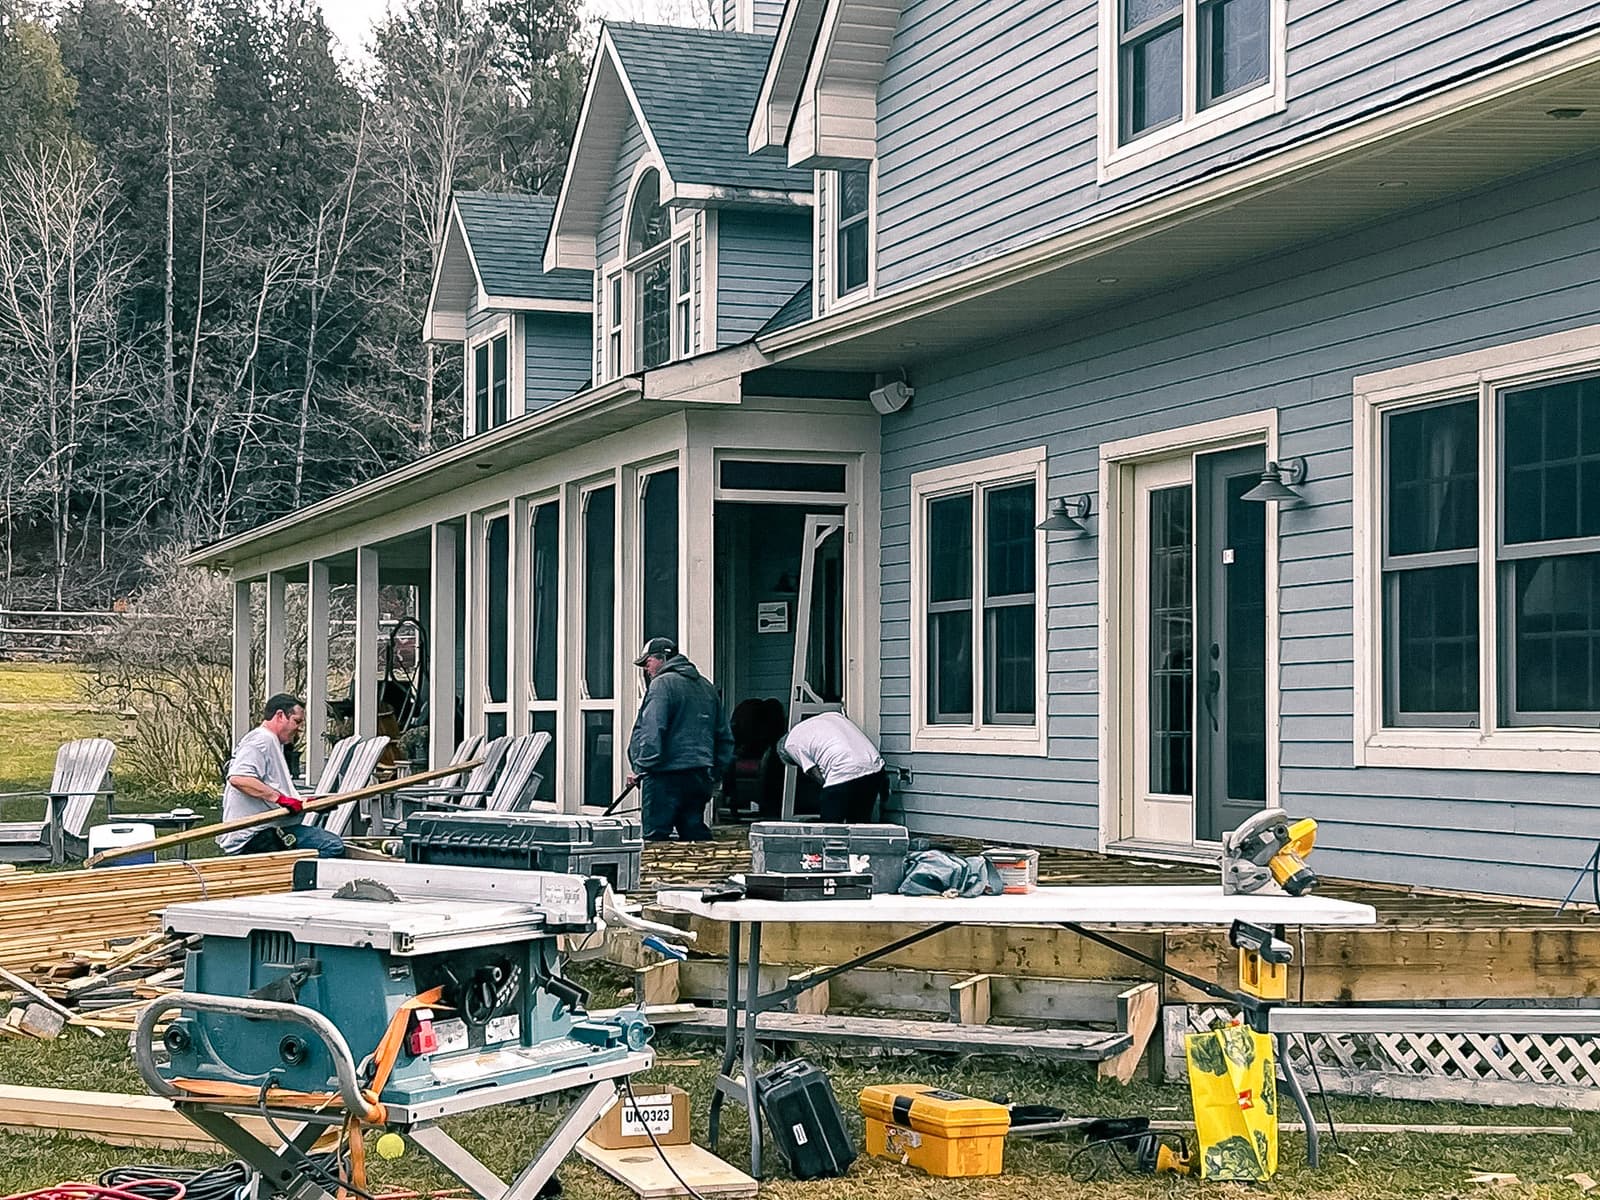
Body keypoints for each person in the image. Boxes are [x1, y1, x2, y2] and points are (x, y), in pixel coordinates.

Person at [626, 637, 734, 842]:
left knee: (655, 840)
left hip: (663, 776)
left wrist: (640, 768)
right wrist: (715, 774)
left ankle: (656, 874)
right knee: (694, 834)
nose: (646, 670)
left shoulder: (662, 685)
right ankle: (702, 872)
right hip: (699, 775)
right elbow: (724, 737)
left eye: (647, 663)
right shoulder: (706, 687)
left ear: (662, 659)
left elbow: (653, 731)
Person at [217, 692, 345, 858]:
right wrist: (280, 799)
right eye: (296, 721)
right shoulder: (262, 740)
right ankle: (290, 881)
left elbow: (271, 786)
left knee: (331, 843)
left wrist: (308, 803)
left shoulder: (272, 742)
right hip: (255, 837)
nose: (299, 728)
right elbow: (239, 778)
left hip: (267, 830)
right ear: (279, 716)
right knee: (332, 846)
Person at [776, 711, 889, 823]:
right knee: (859, 824)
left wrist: (827, 792)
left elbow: (813, 771)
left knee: (830, 827)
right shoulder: (831, 716)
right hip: (874, 767)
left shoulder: (790, 745)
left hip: (843, 770)